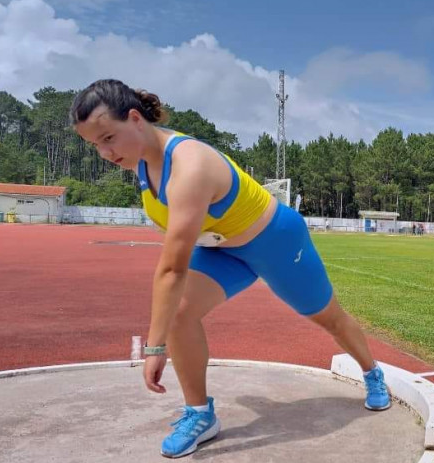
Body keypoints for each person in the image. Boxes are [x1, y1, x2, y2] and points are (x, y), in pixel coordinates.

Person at [70, 79, 391, 458]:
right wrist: (162, 333)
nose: (105, 153)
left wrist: (155, 348)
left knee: (329, 318)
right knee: (179, 314)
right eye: (95, 145)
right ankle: (200, 413)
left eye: (108, 137)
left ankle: (372, 373)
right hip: (221, 248)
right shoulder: (138, 159)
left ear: (136, 119)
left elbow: (172, 269)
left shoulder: (189, 166)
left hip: (275, 243)